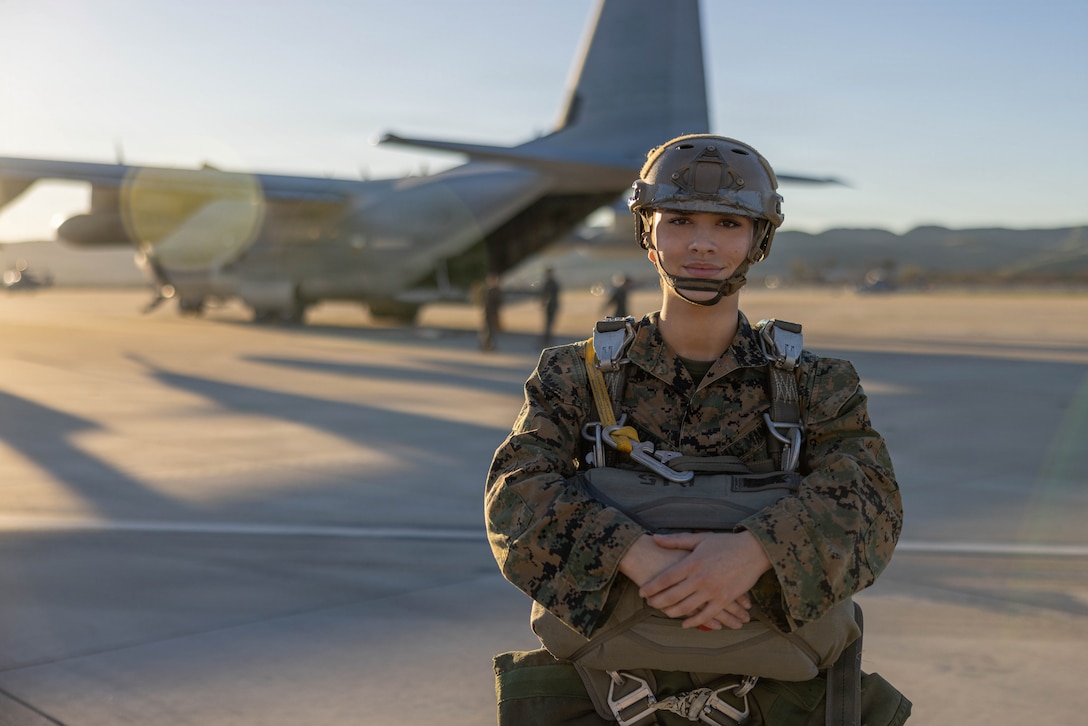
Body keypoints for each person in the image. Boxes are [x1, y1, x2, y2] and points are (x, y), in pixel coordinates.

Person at [486, 135, 908, 724]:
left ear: (758, 238)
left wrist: (752, 553)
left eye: (729, 224)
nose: (703, 242)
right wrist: (634, 556)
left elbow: (873, 501)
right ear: (648, 231)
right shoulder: (576, 375)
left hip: (774, 697)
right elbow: (515, 492)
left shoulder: (817, 384)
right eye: (679, 219)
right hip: (602, 694)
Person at [479, 273, 503, 352]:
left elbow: (498, 303)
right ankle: (486, 345)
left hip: (492, 312)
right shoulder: (488, 290)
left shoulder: (495, 291)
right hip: (487, 312)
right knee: (486, 330)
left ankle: (488, 345)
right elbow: (484, 301)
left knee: (490, 330)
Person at [540, 267, 561, 347]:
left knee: (550, 323)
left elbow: (545, 294)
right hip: (551, 305)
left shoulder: (551, 283)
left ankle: (547, 339)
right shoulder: (551, 283)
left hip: (552, 305)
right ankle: (547, 339)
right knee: (548, 323)